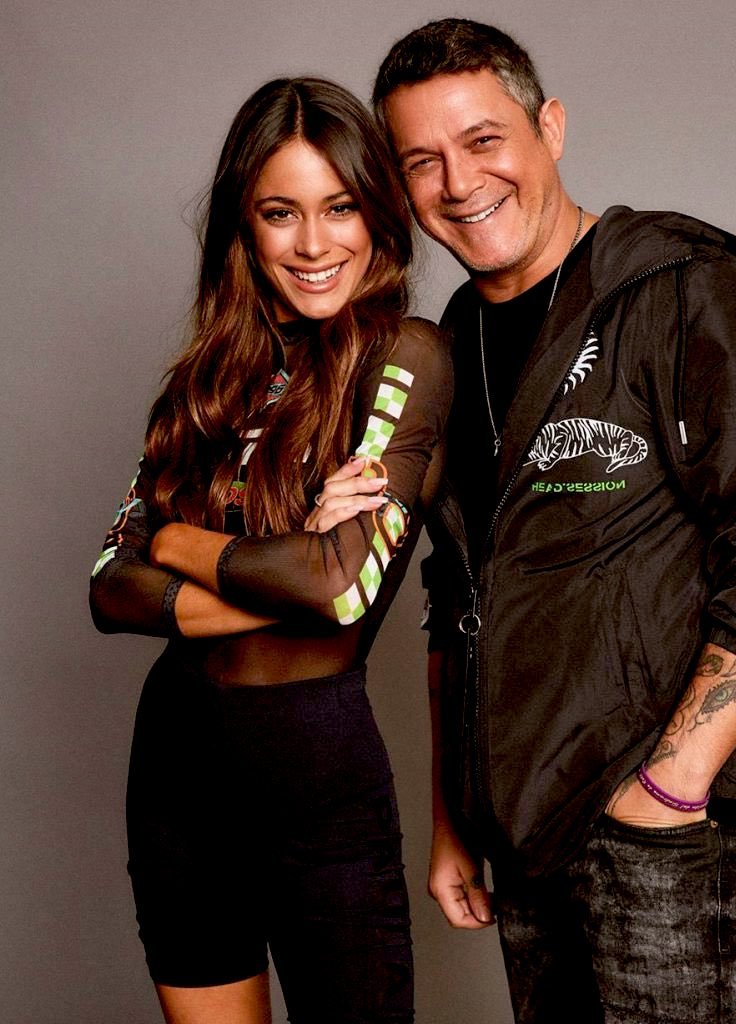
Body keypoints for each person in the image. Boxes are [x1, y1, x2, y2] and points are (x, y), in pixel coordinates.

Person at [368, 19, 736, 1024]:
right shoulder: (449, 341)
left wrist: (674, 781)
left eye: (482, 140)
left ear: (549, 127)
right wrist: (453, 816)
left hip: (667, 824)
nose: (458, 183)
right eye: (420, 161)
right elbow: (455, 590)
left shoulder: (685, 290)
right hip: (521, 818)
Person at [89, 76, 451, 1024]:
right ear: (244, 229)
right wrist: (284, 564)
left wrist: (175, 539)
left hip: (314, 774)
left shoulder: (405, 357)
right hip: (175, 767)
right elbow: (109, 589)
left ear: (377, 214)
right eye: (280, 213)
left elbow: (334, 592)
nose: (313, 243)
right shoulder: (203, 384)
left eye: (340, 207)